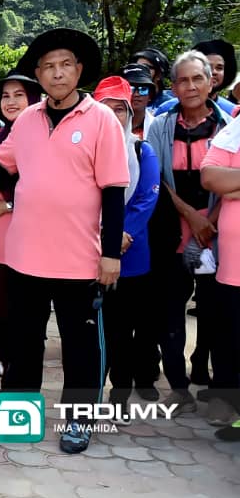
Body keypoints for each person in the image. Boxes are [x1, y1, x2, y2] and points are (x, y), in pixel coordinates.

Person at [0, 28, 128, 454]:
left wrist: (110, 254)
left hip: (78, 258)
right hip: (24, 257)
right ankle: (20, 417)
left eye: (66, 65)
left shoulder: (101, 120)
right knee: (23, 342)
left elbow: (113, 191)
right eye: (49, 67)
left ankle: (79, 421)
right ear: (39, 74)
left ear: (79, 70)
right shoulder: (29, 121)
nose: (57, 74)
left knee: (80, 347)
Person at [145, 50, 233, 423]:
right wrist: (190, 216)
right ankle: (179, 388)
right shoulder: (161, 126)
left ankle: (219, 388)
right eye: (183, 80)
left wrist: (208, 219)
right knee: (169, 314)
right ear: (173, 86)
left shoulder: (229, 125)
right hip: (171, 230)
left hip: (219, 234)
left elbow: (230, 180)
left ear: (211, 82)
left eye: (198, 78)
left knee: (218, 315)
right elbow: (157, 179)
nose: (191, 86)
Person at [92, 76, 161, 415]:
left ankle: (119, 395)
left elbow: (147, 197)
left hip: (130, 256)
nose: (113, 116)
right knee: (94, 334)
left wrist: (122, 233)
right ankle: (89, 396)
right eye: (105, 108)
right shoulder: (85, 150)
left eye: (119, 109)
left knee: (122, 332)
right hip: (88, 250)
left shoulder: (140, 150)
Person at [0, 71, 42, 379]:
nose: (11, 101)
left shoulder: (41, 138)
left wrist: (7, 206)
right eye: (6, 96)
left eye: (19, 95)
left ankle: (19, 368)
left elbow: (44, 189)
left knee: (23, 308)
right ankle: (1, 357)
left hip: (26, 237)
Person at [201, 116, 240, 439]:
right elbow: (211, 177)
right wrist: (225, 185)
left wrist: (234, 183)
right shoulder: (236, 128)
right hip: (233, 264)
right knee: (232, 338)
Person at [120, 63, 156, 140]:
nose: (136, 94)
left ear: (150, 95)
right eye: (130, 89)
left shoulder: (158, 127)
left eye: (143, 89)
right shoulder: (109, 123)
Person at [133, 47, 174, 112]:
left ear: (159, 75)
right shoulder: (126, 99)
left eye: (145, 67)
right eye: (136, 67)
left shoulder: (170, 105)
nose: (139, 71)